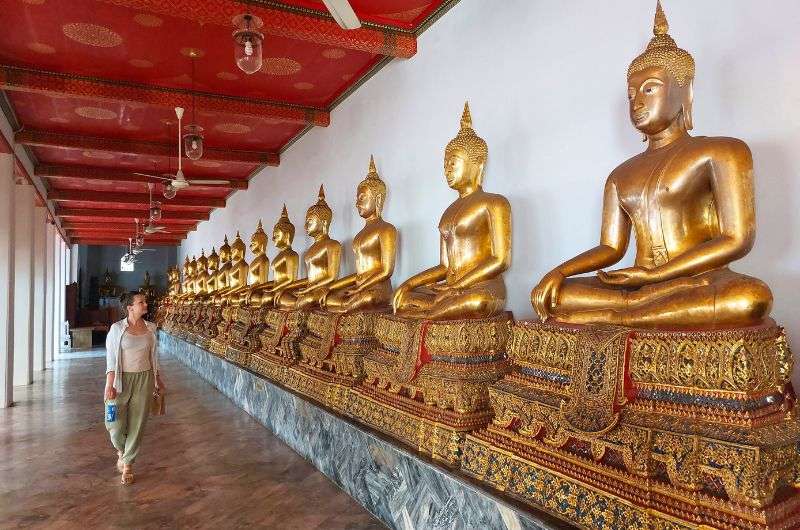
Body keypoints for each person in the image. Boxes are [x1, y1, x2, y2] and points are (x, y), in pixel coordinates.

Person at [104, 291, 165, 485]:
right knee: (114, 424)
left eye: (145, 301)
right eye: (141, 302)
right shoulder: (117, 329)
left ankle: (128, 463)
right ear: (130, 308)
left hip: (144, 379)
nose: (145, 304)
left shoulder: (151, 328)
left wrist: (158, 378)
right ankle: (121, 450)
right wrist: (109, 383)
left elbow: (153, 356)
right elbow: (111, 359)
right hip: (121, 381)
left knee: (138, 423)